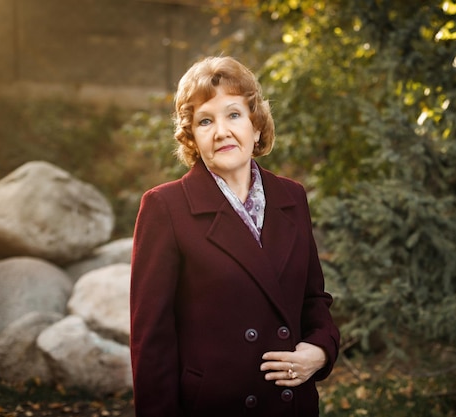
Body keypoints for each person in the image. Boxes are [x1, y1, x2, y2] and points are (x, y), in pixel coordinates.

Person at [130, 56, 340, 416]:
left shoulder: (292, 197)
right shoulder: (165, 207)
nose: (221, 131)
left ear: (256, 126)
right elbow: (152, 345)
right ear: (193, 138)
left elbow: (313, 301)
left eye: (234, 115)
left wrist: (319, 352)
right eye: (205, 121)